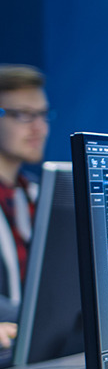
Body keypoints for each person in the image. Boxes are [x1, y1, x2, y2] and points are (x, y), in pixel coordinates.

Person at [0, 64, 50, 330]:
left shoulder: (38, 193)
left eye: (42, 115)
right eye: (24, 115)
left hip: (36, 351)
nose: (39, 128)